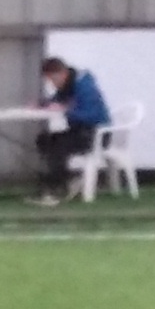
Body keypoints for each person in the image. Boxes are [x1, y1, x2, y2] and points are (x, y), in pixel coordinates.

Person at [35, 55, 111, 203]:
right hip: (80, 131)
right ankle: (66, 180)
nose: (53, 84)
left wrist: (66, 111)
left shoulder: (84, 87)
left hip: (95, 134)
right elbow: (57, 100)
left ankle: (57, 188)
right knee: (44, 140)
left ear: (62, 74)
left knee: (58, 146)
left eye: (53, 80)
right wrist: (42, 104)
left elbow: (92, 115)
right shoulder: (68, 86)